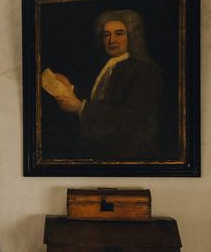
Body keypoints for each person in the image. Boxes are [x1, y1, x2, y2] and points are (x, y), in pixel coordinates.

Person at [51, 10, 162, 159]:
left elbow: (128, 117)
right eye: (106, 35)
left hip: (127, 153)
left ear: (132, 36)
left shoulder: (145, 71)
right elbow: (99, 97)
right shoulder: (107, 65)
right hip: (97, 148)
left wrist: (80, 107)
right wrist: (69, 87)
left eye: (119, 33)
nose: (111, 41)